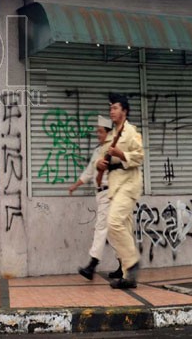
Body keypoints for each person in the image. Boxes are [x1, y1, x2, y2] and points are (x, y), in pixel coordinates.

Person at [96, 93, 145, 289]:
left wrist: (121, 154)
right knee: (124, 229)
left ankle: (132, 262)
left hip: (129, 183)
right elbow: (102, 161)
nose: (111, 111)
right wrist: (101, 164)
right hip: (115, 186)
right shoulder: (110, 136)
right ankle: (128, 276)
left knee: (113, 222)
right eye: (110, 108)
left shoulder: (131, 132)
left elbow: (140, 156)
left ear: (124, 111)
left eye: (115, 108)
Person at [69, 115, 123, 281]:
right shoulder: (97, 152)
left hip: (110, 194)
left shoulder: (112, 150)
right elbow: (88, 173)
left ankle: (92, 265)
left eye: (100, 132)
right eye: (97, 132)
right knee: (112, 234)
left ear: (108, 133)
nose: (98, 135)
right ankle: (124, 266)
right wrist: (75, 185)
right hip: (101, 194)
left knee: (101, 228)